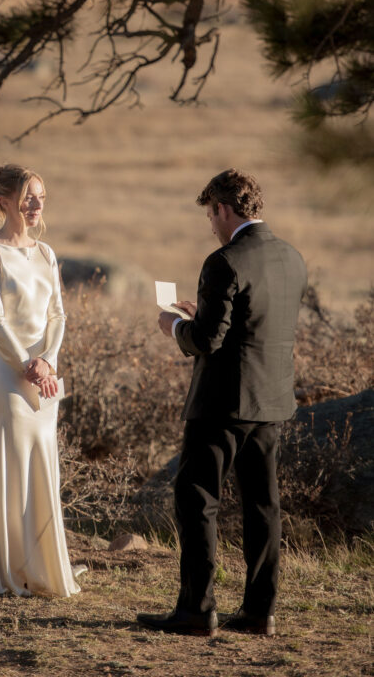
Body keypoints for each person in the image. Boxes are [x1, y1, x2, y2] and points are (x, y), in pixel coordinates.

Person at [137, 168, 307, 637]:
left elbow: (207, 341)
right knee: (263, 505)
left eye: (210, 216)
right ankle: (260, 612)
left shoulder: (223, 261)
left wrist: (175, 326)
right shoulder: (292, 257)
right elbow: (254, 324)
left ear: (223, 208)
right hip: (271, 400)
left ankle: (197, 610)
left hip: (221, 404)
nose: (211, 225)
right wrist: (204, 313)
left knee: (196, 500)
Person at [0, 163, 84, 597]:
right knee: (8, 470)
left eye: (41, 196)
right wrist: (27, 363)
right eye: (28, 197)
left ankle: (40, 565)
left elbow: (58, 315)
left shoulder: (46, 253)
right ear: (5, 201)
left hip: (44, 377)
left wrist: (47, 362)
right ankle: (2, 568)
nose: (36, 204)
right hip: (4, 378)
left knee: (41, 465)